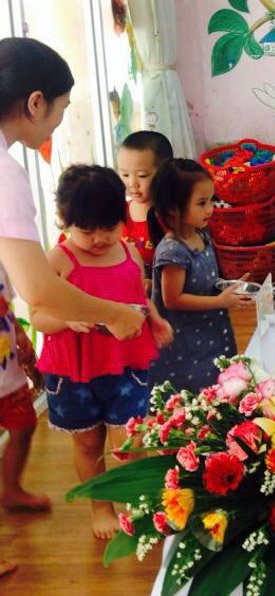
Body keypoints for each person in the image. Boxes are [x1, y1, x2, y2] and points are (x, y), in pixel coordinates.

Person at [0, 37, 143, 574]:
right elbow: (39, 288)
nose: (58, 123)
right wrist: (117, 315)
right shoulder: (6, 172)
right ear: (35, 102)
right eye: (59, 110)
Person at [31, 165, 173, 539]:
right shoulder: (58, 260)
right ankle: (101, 509)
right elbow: (38, 316)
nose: (99, 239)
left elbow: (138, 297)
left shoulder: (126, 251)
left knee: (133, 439)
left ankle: (140, 502)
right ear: (64, 221)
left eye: (109, 227)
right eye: (87, 229)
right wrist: (67, 321)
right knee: (88, 442)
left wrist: (154, 319)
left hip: (125, 365)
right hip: (74, 372)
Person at [149, 159, 251, 393]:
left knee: (221, 389)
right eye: (202, 203)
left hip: (213, 334)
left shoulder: (201, 236)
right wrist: (219, 301)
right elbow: (172, 299)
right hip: (186, 348)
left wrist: (228, 288)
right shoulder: (173, 250)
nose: (210, 209)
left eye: (211, 200)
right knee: (194, 400)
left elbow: (204, 283)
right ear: (174, 209)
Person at [116, 130, 174, 275]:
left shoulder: (172, 216)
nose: (132, 183)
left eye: (142, 175)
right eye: (125, 174)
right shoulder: (117, 212)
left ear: (164, 173)